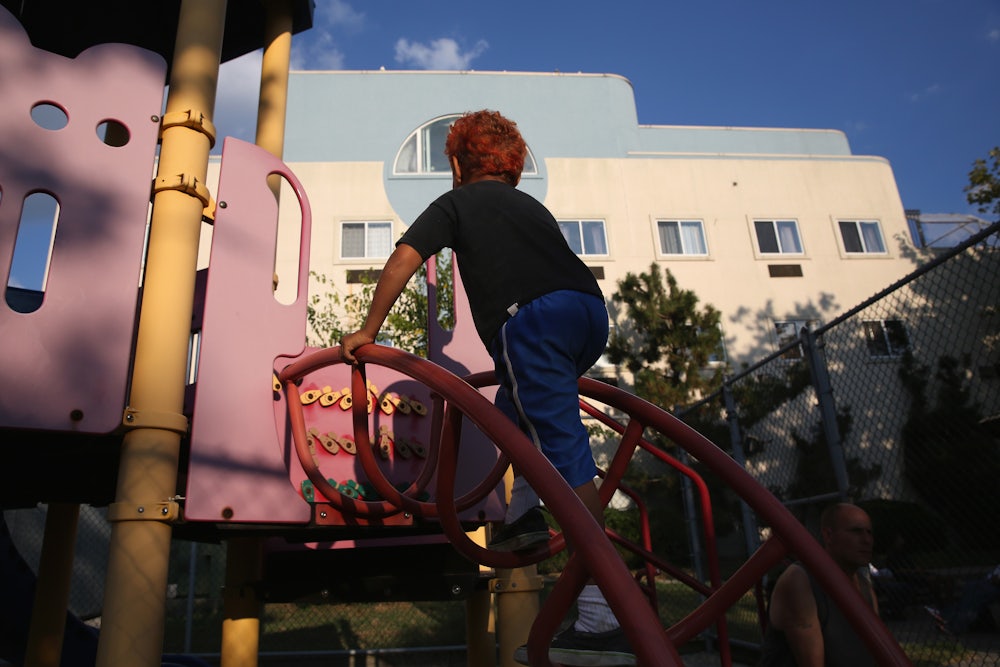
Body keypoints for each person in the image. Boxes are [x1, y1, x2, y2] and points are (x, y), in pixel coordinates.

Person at [339, 110, 631, 666]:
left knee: (563, 453)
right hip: (588, 315)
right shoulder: (532, 207)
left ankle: (604, 610)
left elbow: (406, 256)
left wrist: (368, 329)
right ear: (514, 166)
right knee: (514, 408)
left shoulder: (456, 203)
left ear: (455, 162)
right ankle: (522, 513)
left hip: (534, 321)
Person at [757, 503, 879, 667]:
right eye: (856, 531)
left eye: (869, 532)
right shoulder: (800, 580)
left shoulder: (865, 587)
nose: (866, 540)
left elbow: (877, 652)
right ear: (829, 535)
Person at [925, 564, 1000, 636]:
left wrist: (994, 579)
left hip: (994, 587)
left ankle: (951, 623)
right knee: (970, 589)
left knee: (976, 595)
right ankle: (946, 615)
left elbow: (995, 579)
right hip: (986, 583)